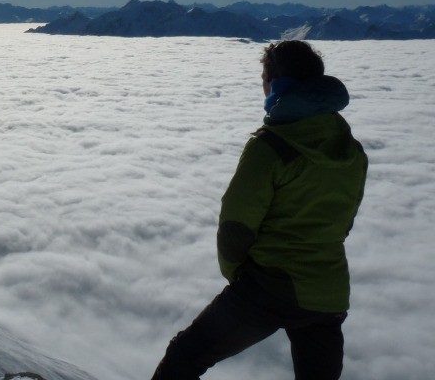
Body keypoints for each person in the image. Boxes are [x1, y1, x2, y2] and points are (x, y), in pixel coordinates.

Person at [150, 40, 368, 379]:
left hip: (269, 285)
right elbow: (344, 221)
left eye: (265, 78)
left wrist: (237, 273)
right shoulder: (352, 150)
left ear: (278, 84)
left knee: (186, 354)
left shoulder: (269, 147)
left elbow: (236, 225)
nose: (262, 85)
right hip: (329, 291)